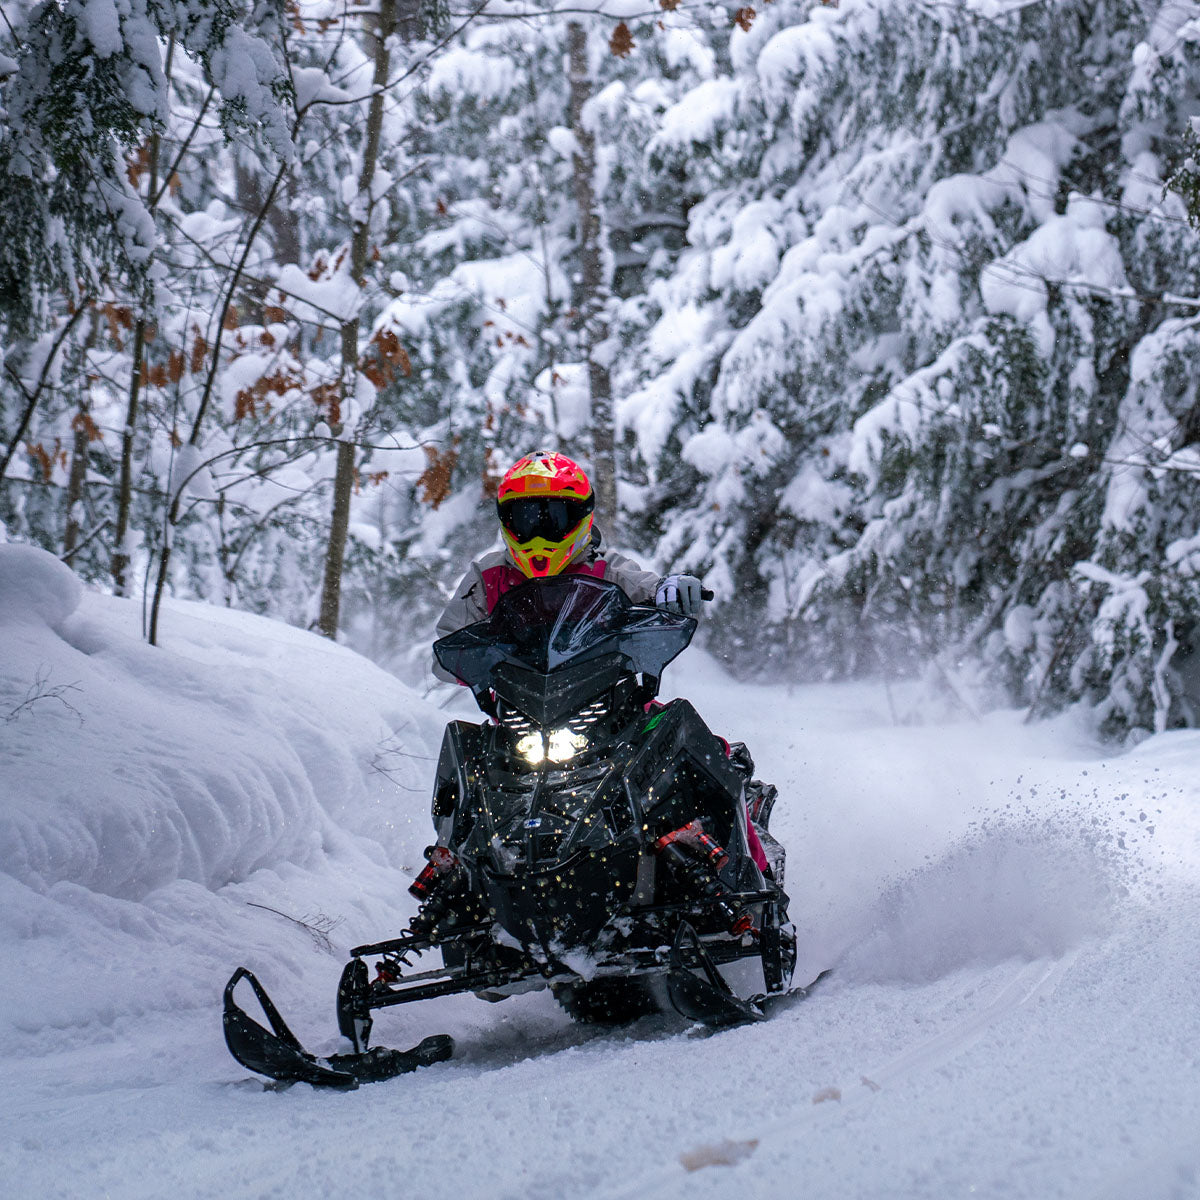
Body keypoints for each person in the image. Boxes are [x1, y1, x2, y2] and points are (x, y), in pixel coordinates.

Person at [432, 449, 776, 872]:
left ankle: (751, 877)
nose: (539, 535)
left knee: (692, 740)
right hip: (522, 720)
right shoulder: (487, 576)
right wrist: (472, 656)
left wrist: (672, 593)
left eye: (553, 518)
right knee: (466, 756)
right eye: (526, 520)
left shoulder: (608, 569)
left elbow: (651, 590)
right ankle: (452, 870)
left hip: (613, 715)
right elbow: (448, 642)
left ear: (581, 518)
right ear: (506, 522)